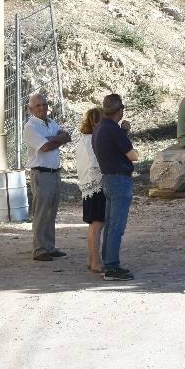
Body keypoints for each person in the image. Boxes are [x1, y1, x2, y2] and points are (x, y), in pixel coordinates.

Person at [92, 93, 138, 281]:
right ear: (120, 110)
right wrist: (126, 136)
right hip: (119, 180)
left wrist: (123, 133)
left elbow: (113, 148)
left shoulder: (99, 128)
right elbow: (133, 155)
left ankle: (108, 263)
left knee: (111, 225)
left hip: (108, 178)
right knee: (117, 226)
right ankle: (112, 266)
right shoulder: (113, 130)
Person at [23, 93, 71, 262]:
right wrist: (58, 139)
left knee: (51, 212)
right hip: (41, 173)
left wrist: (52, 140)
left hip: (54, 172)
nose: (42, 108)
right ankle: (39, 249)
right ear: (30, 109)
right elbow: (45, 147)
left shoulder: (51, 123)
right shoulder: (30, 127)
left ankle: (49, 247)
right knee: (41, 213)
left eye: (44, 104)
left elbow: (66, 137)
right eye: (38, 105)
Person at [75, 108, 106, 274]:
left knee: (95, 225)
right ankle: (95, 262)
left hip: (88, 186)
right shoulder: (92, 140)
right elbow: (95, 166)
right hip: (96, 187)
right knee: (96, 225)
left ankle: (92, 259)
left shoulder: (83, 140)